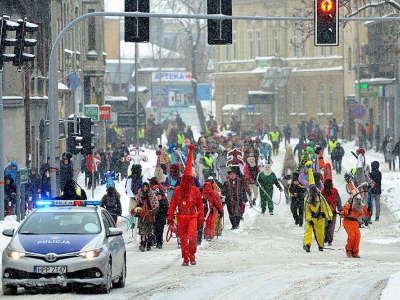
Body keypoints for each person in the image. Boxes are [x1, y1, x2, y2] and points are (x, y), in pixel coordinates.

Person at [167, 144, 204, 266]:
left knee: (193, 236)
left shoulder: (195, 191)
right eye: (186, 180)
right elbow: (173, 204)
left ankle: (192, 255)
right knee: (183, 238)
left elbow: (200, 205)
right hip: (181, 216)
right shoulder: (177, 190)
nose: (188, 182)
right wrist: (170, 216)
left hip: (192, 216)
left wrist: (201, 218)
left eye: (190, 180)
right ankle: (185, 257)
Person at [303, 171, 333, 252]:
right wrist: (309, 219)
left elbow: (326, 207)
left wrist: (329, 217)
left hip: (320, 218)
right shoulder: (306, 199)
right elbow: (306, 211)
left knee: (320, 233)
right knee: (308, 232)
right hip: (311, 218)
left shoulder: (320, 198)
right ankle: (307, 245)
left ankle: (320, 245)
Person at [340, 180, 371, 258]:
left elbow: (366, 214)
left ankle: (355, 251)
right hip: (347, 222)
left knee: (357, 236)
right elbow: (342, 214)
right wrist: (348, 212)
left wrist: (369, 211)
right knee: (352, 236)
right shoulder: (348, 205)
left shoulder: (361, 206)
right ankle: (349, 250)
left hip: (355, 224)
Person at [321, 164, 342, 246]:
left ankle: (328, 239)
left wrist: (340, 209)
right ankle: (327, 238)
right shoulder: (324, 192)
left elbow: (338, 201)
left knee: (329, 225)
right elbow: (338, 201)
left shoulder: (333, 191)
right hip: (326, 212)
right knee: (328, 225)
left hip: (330, 211)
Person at [135, 182, 158, 252]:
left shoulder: (152, 195)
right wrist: (138, 208)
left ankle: (149, 243)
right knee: (142, 231)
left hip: (149, 215)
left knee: (149, 231)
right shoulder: (139, 195)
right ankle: (143, 243)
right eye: (144, 187)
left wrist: (152, 211)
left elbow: (155, 204)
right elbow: (137, 204)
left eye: (146, 187)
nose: (145, 188)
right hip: (142, 215)